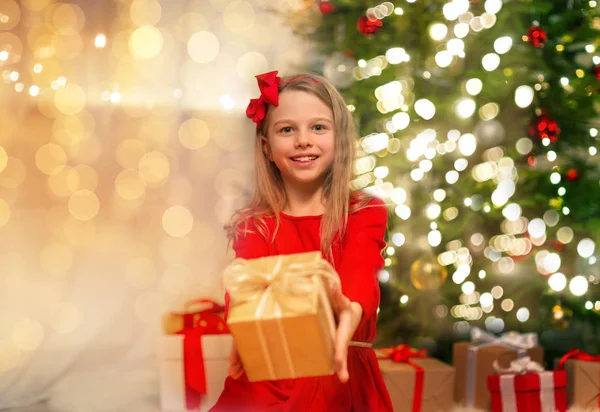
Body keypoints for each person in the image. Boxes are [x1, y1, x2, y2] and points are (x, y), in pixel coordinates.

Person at [210, 70, 393, 412]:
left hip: (343, 384)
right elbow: (244, 291)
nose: (303, 140)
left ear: (339, 140)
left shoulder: (364, 212)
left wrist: (347, 312)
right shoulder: (256, 226)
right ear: (267, 147)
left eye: (318, 127)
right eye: (287, 129)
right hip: (270, 385)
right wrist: (245, 326)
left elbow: (360, 276)